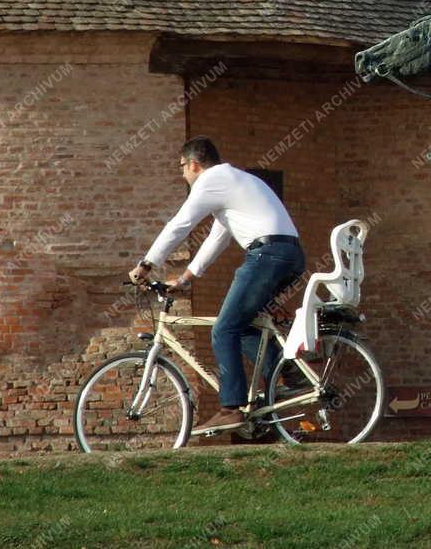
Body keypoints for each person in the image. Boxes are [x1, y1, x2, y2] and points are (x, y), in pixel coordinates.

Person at [129, 136, 305, 433]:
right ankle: (288, 375)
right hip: (290, 255)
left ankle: (230, 408)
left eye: (182, 167)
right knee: (244, 324)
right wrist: (186, 277)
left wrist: (146, 264)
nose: (182, 174)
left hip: (267, 256)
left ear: (195, 164)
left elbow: (179, 225)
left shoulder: (211, 181)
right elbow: (218, 236)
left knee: (223, 329)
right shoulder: (236, 181)